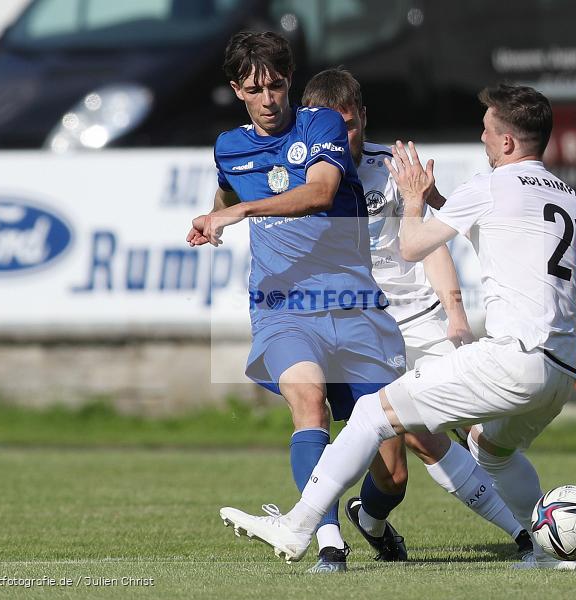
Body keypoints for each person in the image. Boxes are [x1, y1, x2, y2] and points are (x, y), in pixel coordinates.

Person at [219, 84, 576, 570]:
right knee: (489, 451)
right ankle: (546, 549)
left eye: (487, 130)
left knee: (373, 413)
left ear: (506, 144)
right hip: (562, 367)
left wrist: (414, 200)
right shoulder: (568, 197)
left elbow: (414, 244)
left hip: (509, 355)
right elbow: (493, 222)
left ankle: (297, 526)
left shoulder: (488, 184)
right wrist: (434, 196)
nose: (481, 137)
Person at [188, 32, 411, 573]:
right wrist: (213, 216)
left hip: (349, 303)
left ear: (290, 82)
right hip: (281, 306)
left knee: (395, 471)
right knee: (308, 404)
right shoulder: (229, 145)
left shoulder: (321, 125)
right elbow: (227, 188)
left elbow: (320, 192)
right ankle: (328, 540)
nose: (269, 99)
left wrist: (237, 214)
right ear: (237, 90)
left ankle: (370, 517)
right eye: (255, 89)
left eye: (277, 85)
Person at [300, 68, 531, 556]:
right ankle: (372, 522)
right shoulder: (305, 178)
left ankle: (533, 531)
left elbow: (429, 244)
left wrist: (456, 316)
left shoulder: (392, 168)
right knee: (400, 470)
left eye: (350, 124)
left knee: (478, 429)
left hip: (422, 319)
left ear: (364, 117)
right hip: (363, 332)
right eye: (330, 127)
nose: (342, 137)